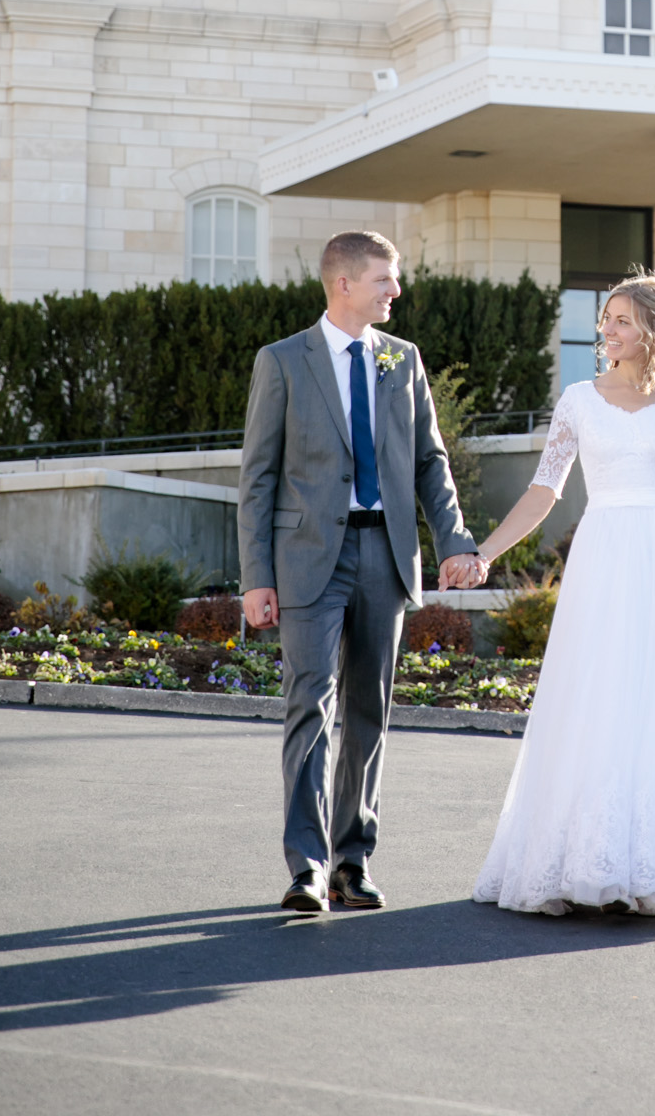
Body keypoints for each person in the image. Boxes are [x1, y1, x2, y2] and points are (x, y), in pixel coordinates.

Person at [471, 272, 655, 918]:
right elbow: (543, 492)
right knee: (597, 697)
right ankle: (587, 859)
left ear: (654, 332)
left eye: (622, 321)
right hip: (603, 557)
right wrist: (485, 554)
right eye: (606, 319)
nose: (607, 330)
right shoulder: (578, 400)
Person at [238, 229, 485, 914]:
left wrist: (456, 541)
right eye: (385, 279)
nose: (395, 291)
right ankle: (307, 866)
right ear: (344, 283)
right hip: (307, 558)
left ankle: (353, 859)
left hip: (385, 553)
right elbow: (256, 478)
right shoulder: (282, 362)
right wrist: (257, 577)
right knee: (308, 705)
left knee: (369, 711)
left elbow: (431, 463)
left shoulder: (402, 361)